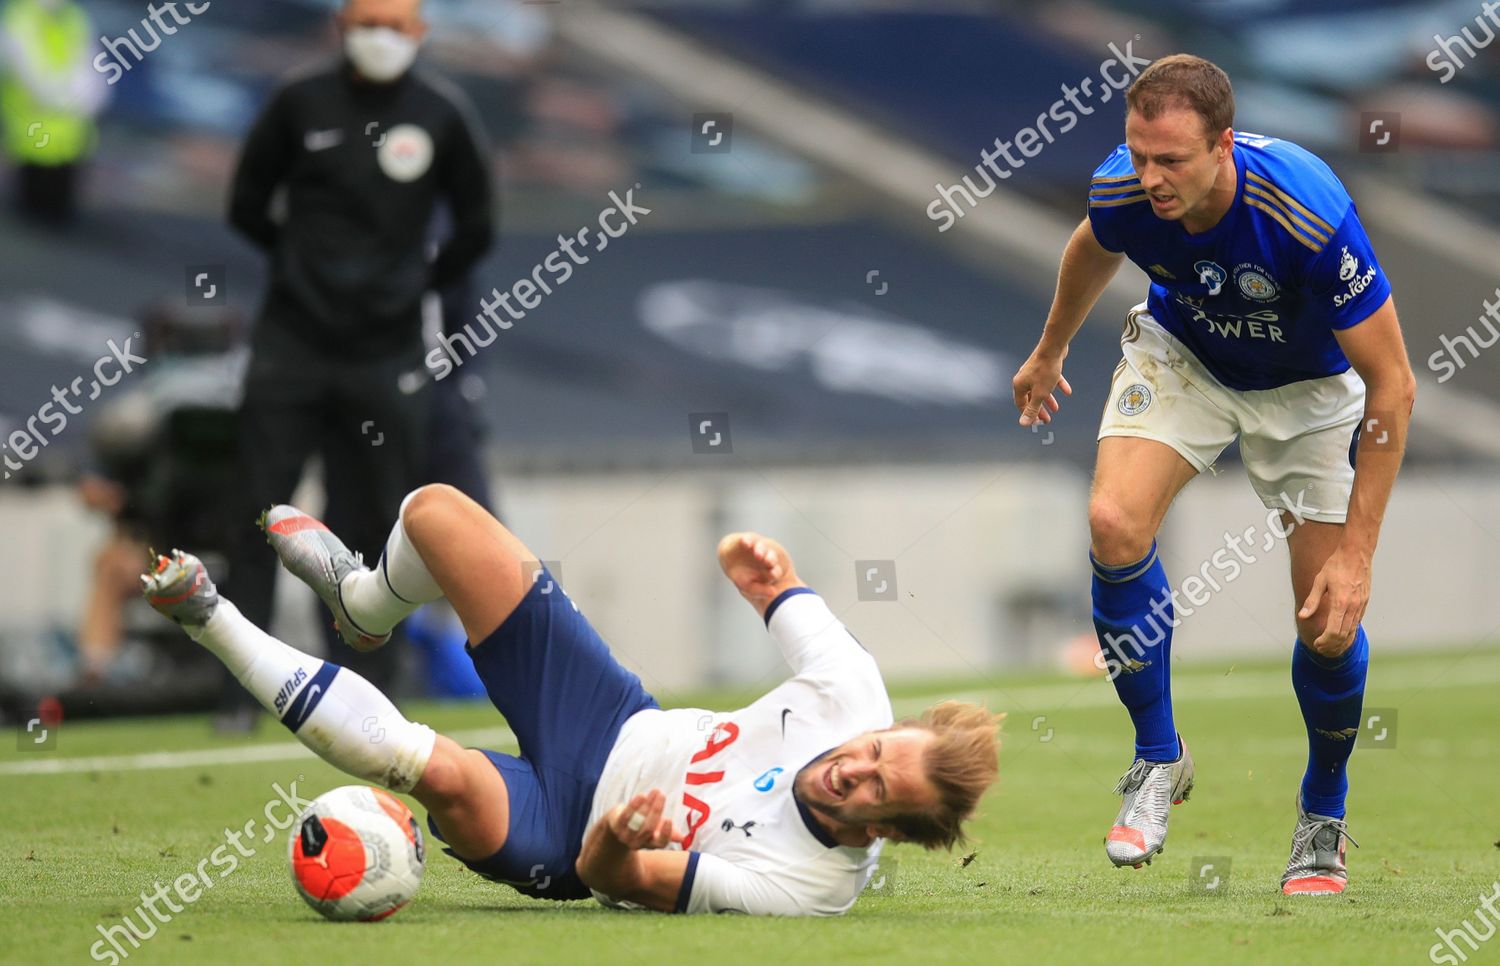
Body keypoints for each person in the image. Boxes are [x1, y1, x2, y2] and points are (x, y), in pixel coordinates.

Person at [141, 483, 1002, 914]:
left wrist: (618, 835)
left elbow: (605, 876)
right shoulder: (854, 695)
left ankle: (208, 616)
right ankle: (364, 604)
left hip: (563, 835)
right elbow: (778, 587)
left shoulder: (810, 887)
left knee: (427, 770)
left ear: (885, 832)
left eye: (878, 791)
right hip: (611, 713)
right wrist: (764, 571)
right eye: (879, 752)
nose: (858, 767)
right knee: (437, 512)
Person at [1010, 54, 1415, 895]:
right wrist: (1048, 351)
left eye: (1172, 161)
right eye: (1138, 153)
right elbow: (1093, 246)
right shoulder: (1123, 189)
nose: (1149, 177)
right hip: (1186, 358)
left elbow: (1394, 384)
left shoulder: (1305, 210)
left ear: (1223, 144)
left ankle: (1322, 813)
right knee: (1115, 524)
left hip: (1309, 394)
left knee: (1326, 625)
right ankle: (1158, 758)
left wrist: (1360, 555)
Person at [224, 0, 494, 700]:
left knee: (372, 520)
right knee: (259, 507)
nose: (380, 37)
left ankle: (366, 686)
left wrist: (409, 283)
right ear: (343, 26)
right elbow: (246, 203)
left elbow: (479, 224)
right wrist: (299, 268)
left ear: (420, 33)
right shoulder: (299, 101)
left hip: (387, 352)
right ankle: (239, 688)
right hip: (293, 342)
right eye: (367, 21)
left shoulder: (441, 113)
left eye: (395, 25)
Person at [0, 0, 107, 226]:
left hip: (70, 136)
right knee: (33, 210)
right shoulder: (20, 16)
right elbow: (27, 68)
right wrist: (64, 96)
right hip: (32, 127)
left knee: (59, 210)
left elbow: (90, 64)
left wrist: (88, 95)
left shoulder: (74, 18)